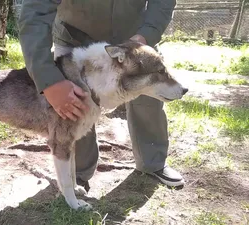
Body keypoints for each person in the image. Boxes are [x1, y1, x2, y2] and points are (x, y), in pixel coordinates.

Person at [17, 0, 184, 190]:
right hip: (74, 38)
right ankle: (76, 173)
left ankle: (153, 163)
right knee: (75, 107)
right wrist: (49, 81)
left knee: (148, 99)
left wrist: (147, 34)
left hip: (135, 41)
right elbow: (36, 10)